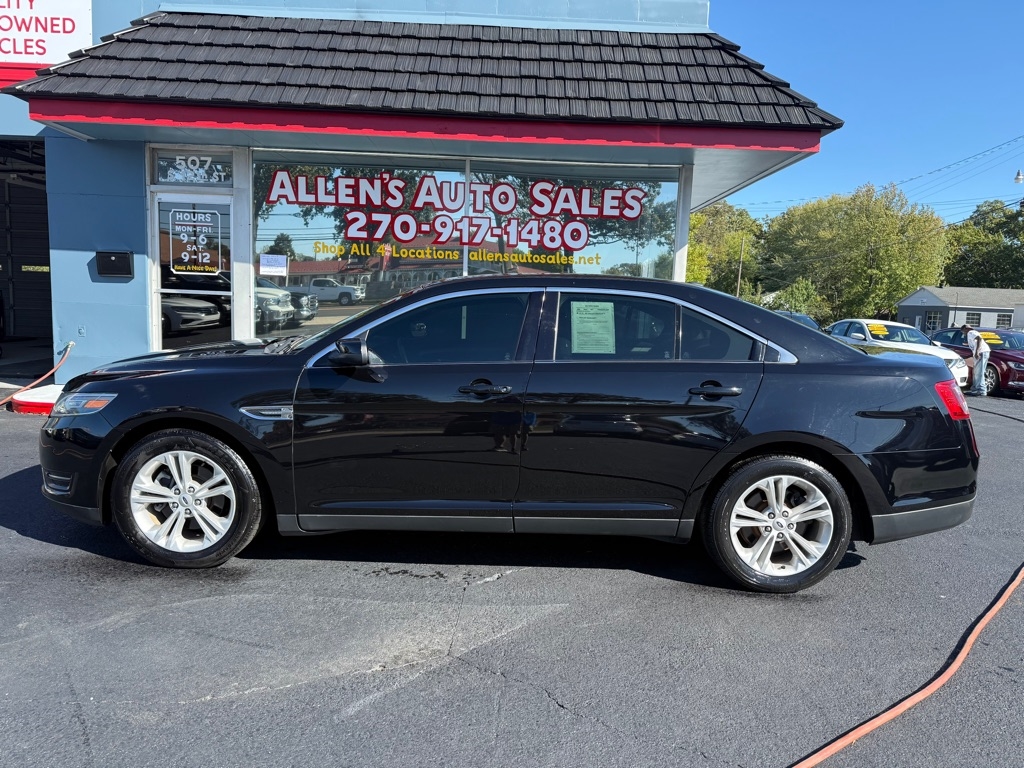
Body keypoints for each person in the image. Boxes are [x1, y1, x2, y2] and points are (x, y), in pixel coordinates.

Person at [961, 324, 991, 396]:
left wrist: (977, 351)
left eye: (963, 331)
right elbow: (976, 341)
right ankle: (975, 389)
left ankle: (980, 390)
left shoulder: (971, 332)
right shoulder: (973, 332)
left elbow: (979, 339)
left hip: (981, 352)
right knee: (978, 371)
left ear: (966, 329)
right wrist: (968, 344)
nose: (963, 333)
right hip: (984, 352)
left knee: (978, 371)